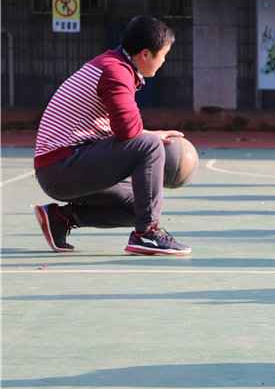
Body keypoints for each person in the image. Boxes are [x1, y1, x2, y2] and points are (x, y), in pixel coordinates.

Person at [33, 16, 191, 256]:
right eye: (164, 55)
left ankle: (61, 218)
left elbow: (120, 127)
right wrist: (151, 139)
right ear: (146, 54)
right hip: (61, 166)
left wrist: (151, 134)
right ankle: (147, 234)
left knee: (140, 203)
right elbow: (128, 132)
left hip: (63, 164)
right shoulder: (115, 72)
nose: (164, 61)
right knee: (149, 147)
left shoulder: (114, 65)